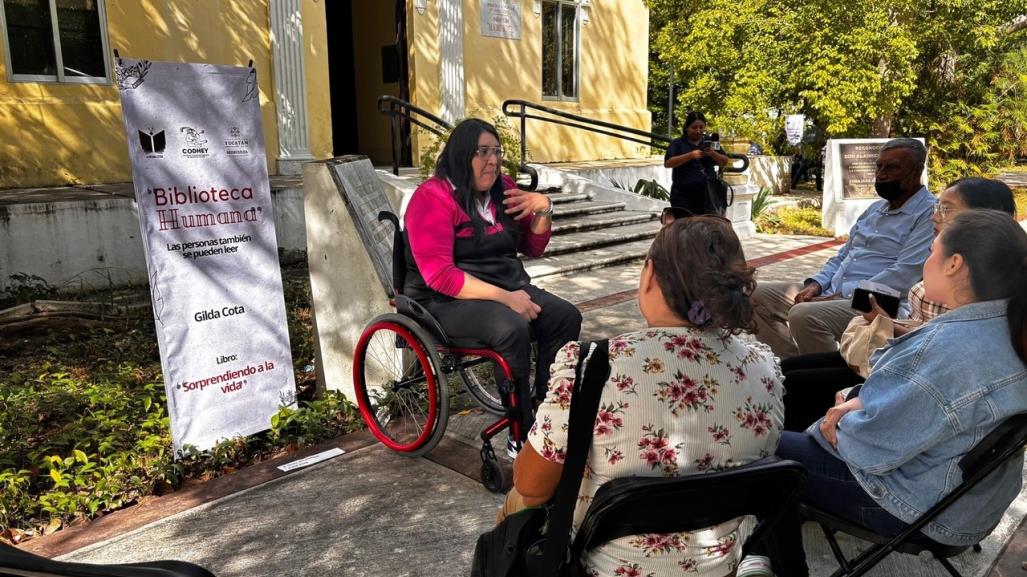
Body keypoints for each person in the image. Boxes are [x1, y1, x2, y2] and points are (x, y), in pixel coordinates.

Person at [742, 209, 1027, 577]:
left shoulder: (951, 346)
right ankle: (764, 547)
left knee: (757, 447)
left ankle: (779, 564)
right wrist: (857, 399)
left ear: (955, 264)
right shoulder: (1008, 327)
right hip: (964, 499)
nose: (926, 261)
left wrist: (841, 416)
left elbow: (870, 447)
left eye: (930, 252)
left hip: (918, 506)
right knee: (803, 402)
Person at [501, 216, 784, 577]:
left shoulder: (591, 367)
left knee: (515, 502)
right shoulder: (764, 368)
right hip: (719, 568)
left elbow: (531, 486)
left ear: (649, 276)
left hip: (599, 568)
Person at [779, 177, 1017, 431]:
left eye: (945, 209)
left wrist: (857, 397)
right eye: (937, 206)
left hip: (909, 377)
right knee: (787, 371)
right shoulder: (964, 269)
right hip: (906, 361)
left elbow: (936, 359)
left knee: (794, 384)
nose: (935, 216)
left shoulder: (976, 281)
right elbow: (935, 339)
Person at [402, 118, 582, 455]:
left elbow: (532, 247)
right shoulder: (433, 198)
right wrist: (507, 299)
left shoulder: (504, 190)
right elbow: (440, 275)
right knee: (511, 328)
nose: (493, 160)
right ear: (460, 155)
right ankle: (521, 433)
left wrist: (544, 208)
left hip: (504, 286)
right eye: (482, 152)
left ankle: (547, 412)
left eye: (496, 152)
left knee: (564, 316)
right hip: (443, 299)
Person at [752, 138, 936, 358]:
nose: (881, 174)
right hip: (837, 291)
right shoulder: (875, 210)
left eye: (892, 167)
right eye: (879, 166)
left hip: (879, 302)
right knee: (754, 295)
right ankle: (789, 368)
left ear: (916, 170)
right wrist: (817, 285)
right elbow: (843, 256)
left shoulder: (928, 214)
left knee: (804, 315)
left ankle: (829, 380)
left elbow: (905, 274)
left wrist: (842, 294)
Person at [664, 111, 731, 216]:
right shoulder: (678, 143)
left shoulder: (710, 142)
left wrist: (712, 153)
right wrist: (690, 155)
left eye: (701, 127)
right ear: (687, 127)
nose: (698, 131)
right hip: (683, 195)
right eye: (694, 127)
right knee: (685, 227)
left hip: (707, 195)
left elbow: (724, 161)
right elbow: (668, 163)